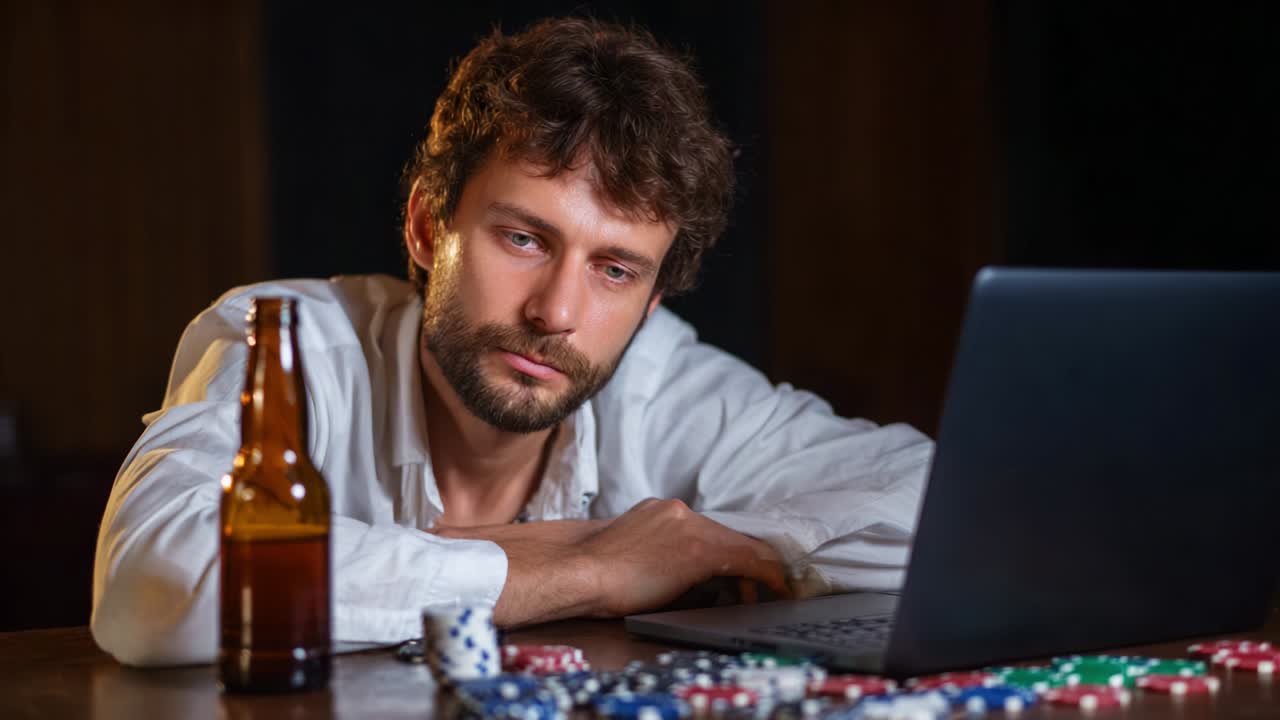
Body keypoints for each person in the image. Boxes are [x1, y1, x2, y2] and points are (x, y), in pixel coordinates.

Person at [91, 17, 932, 667]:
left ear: (651, 299)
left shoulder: (665, 380)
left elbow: (941, 502)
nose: (558, 312)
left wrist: (696, 546)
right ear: (427, 227)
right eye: (524, 239)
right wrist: (585, 569)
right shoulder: (287, 344)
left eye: (615, 270)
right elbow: (155, 585)